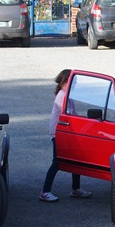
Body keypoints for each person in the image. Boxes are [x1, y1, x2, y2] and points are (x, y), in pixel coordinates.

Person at [39, 69, 92, 202]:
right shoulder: (62, 96)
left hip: (67, 132)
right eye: (73, 82)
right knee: (57, 162)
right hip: (59, 133)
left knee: (76, 159)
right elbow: (68, 115)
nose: (75, 85)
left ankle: (76, 189)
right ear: (65, 82)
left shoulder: (67, 95)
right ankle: (45, 191)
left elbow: (74, 115)